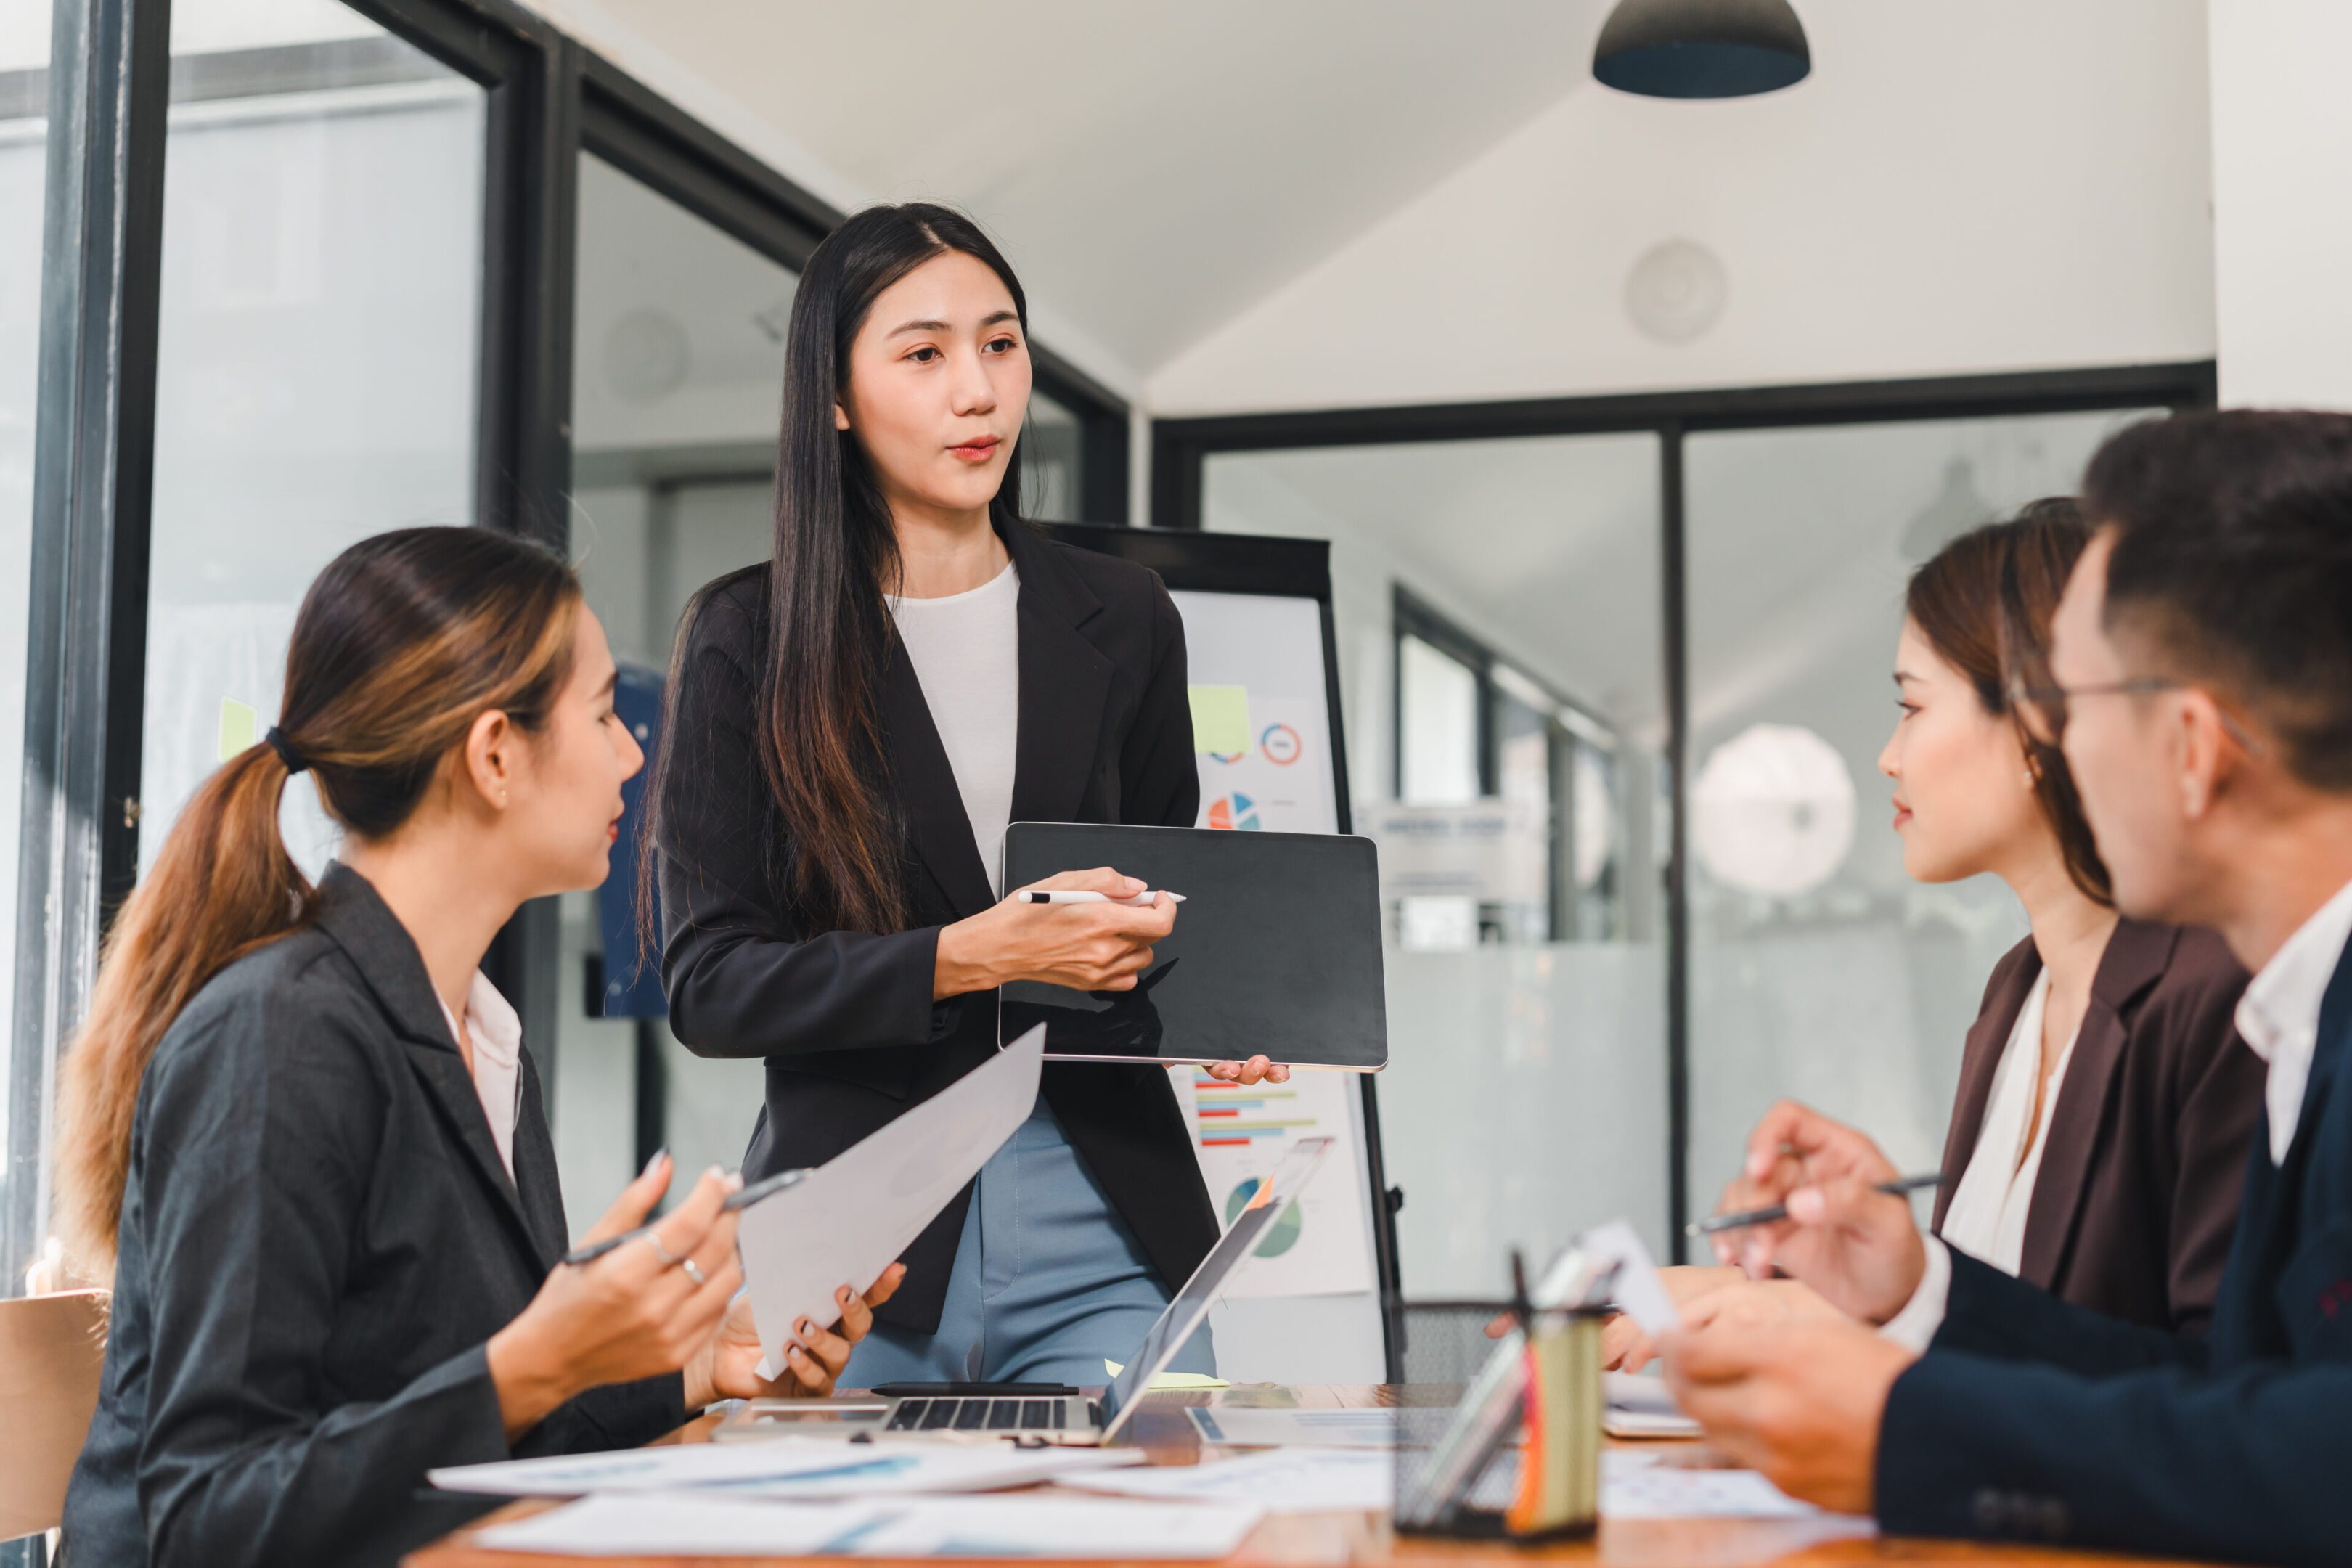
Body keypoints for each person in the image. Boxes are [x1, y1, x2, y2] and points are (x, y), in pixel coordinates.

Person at [54, 528, 897, 1568]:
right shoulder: (280, 1035)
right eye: (602, 716)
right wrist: (531, 1365)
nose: (635, 752)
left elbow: (458, 1433)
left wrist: (695, 1373)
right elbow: (210, 1517)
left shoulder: (481, 1033)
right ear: (496, 755)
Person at [1659, 410, 2352, 1566]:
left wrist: (1905, 1424)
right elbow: (2239, 1398)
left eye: (2074, 708)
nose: (2061, 753)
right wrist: (1927, 1294)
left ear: (2191, 746)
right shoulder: (2309, 1007)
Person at [648, 203, 1281, 1387]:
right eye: (924, 353)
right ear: (834, 396)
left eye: (1000, 344)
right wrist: (967, 955)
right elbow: (710, 987)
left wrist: (1218, 1011)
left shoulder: (1126, 616)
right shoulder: (749, 636)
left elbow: (1148, 897)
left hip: (1105, 1213)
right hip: (858, 1239)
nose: (978, 391)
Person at [1612, 502, 2263, 1369]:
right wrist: (1770, 1296)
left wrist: (1825, 1319)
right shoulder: (2014, 992)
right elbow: (1993, 1325)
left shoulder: (2226, 994)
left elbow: (2231, 1406)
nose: (1888, 756)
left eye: (1912, 708)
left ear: (2036, 728)